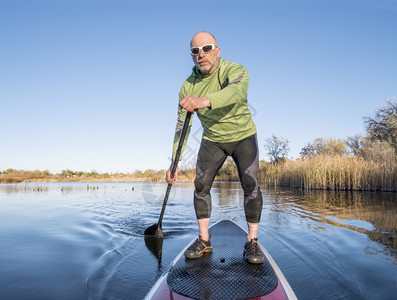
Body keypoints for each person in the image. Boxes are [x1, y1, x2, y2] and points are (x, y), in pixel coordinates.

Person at [166, 31, 264, 264]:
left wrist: (203, 101)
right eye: (195, 51)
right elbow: (182, 126)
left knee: (250, 184)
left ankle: (252, 241)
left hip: (243, 135)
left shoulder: (236, 70)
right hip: (212, 140)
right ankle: (204, 239)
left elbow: (236, 92)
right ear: (192, 56)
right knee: (200, 185)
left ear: (217, 51)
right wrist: (174, 162)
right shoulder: (186, 87)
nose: (201, 54)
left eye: (207, 48)